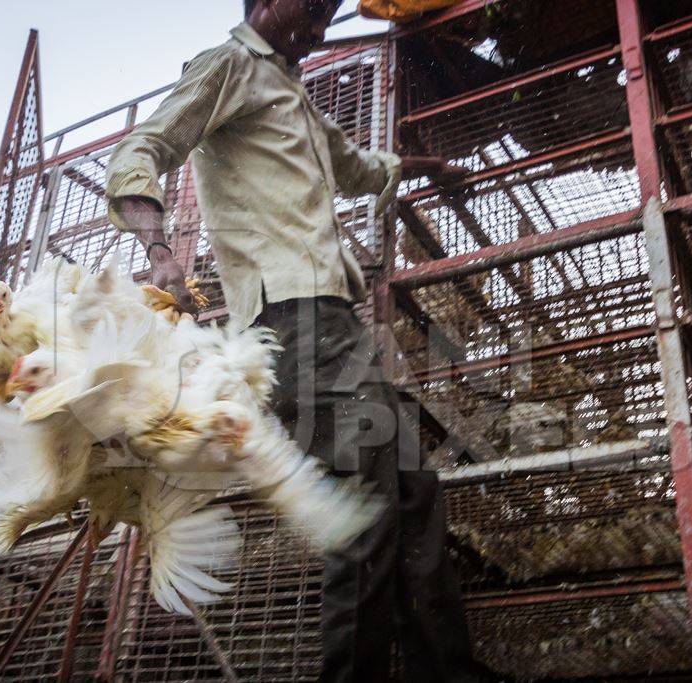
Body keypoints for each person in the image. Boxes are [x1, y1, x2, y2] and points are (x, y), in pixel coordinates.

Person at [105, 1, 478, 680]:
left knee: (414, 486)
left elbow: (362, 167)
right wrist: (158, 247)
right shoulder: (227, 67)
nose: (320, 27)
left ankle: (448, 669)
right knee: (365, 492)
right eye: (311, 8)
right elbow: (141, 151)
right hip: (289, 324)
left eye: (328, 13)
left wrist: (429, 167)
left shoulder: (295, 96)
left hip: (333, 322)